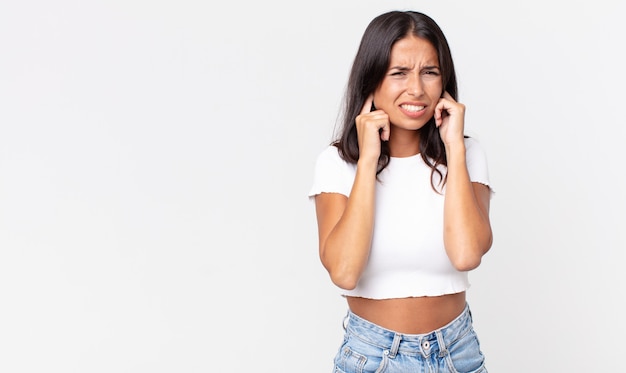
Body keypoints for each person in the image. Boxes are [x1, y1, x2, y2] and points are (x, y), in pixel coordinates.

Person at [308, 10, 494, 372]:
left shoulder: (468, 154)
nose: (416, 89)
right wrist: (367, 161)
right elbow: (344, 272)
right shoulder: (337, 163)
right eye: (399, 73)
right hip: (374, 356)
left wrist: (454, 149)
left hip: (458, 354)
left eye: (430, 72)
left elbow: (467, 254)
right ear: (372, 81)